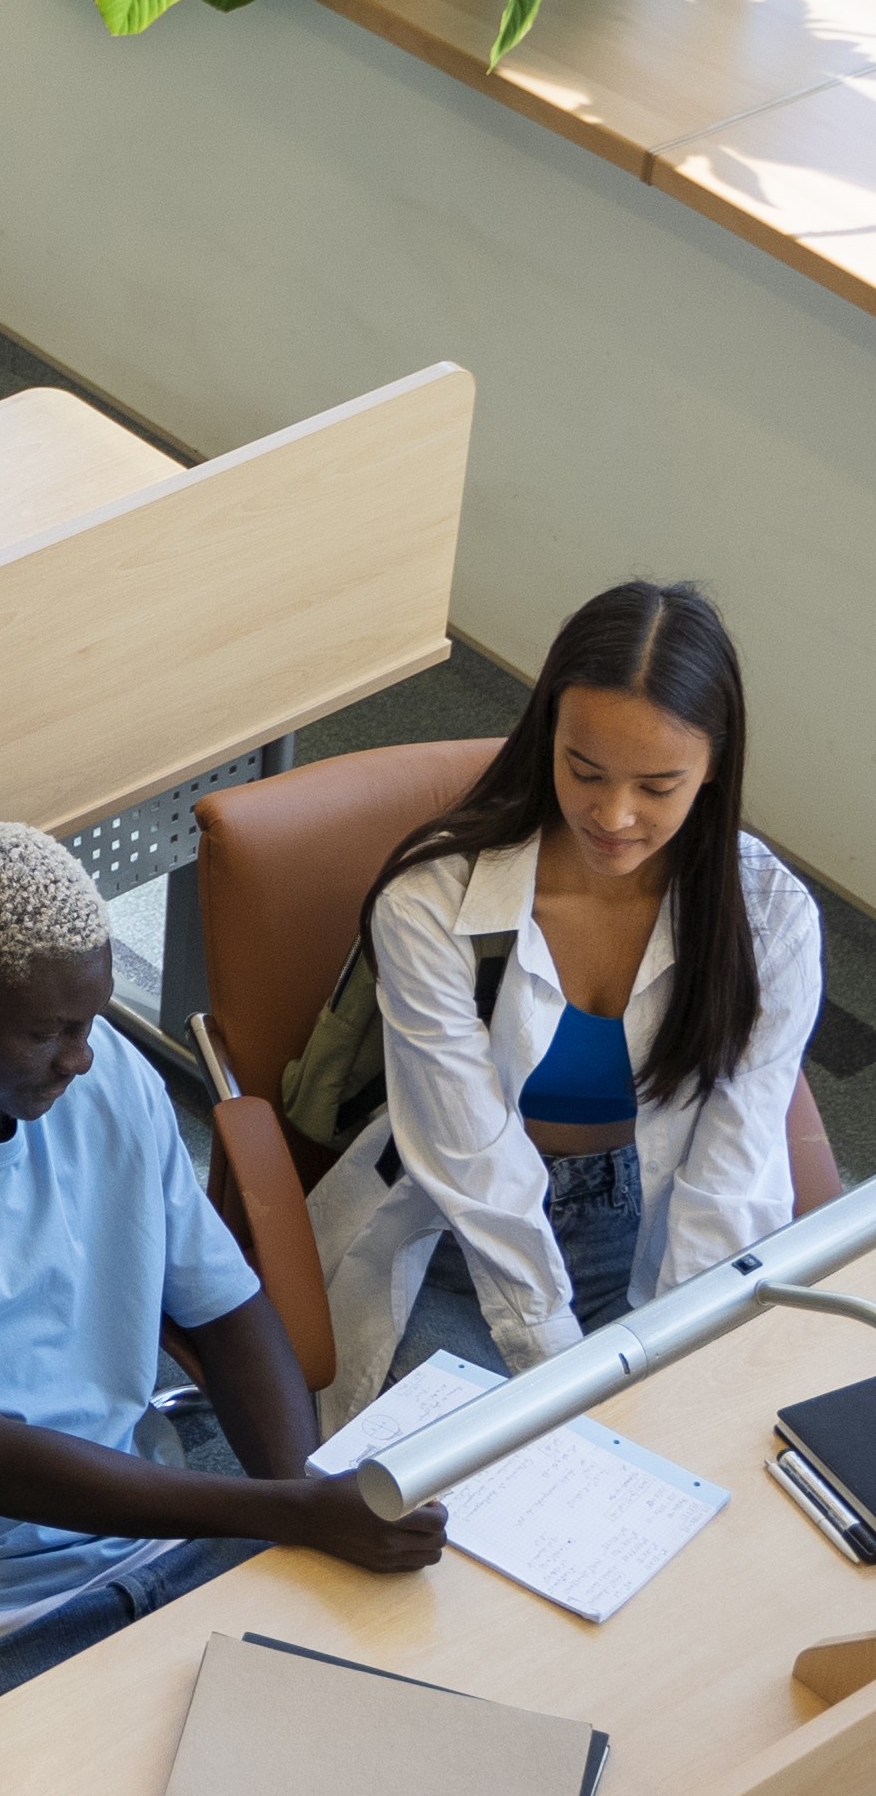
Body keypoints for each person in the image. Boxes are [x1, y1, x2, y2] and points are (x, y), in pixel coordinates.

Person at [0, 821, 444, 1740]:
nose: (83, 1057)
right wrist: (292, 1514)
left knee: (387, 1739)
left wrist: (300, 1499)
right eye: (49, 1031)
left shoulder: (94, 1081)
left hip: (160, 1537)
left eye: (91, 1019)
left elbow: (224, 1312)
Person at [311, 580, 821, 1401]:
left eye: (656, 787)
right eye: (583, 771)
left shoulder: (769, 918)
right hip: (461, 1238)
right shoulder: (432, 901)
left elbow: (728, 1169)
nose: (613, 816)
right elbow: (474, 1168)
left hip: (650, 1214)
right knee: (499, 1472)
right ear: (546, 731)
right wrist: (561, 1369)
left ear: (713, 768)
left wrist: (674, 1351)